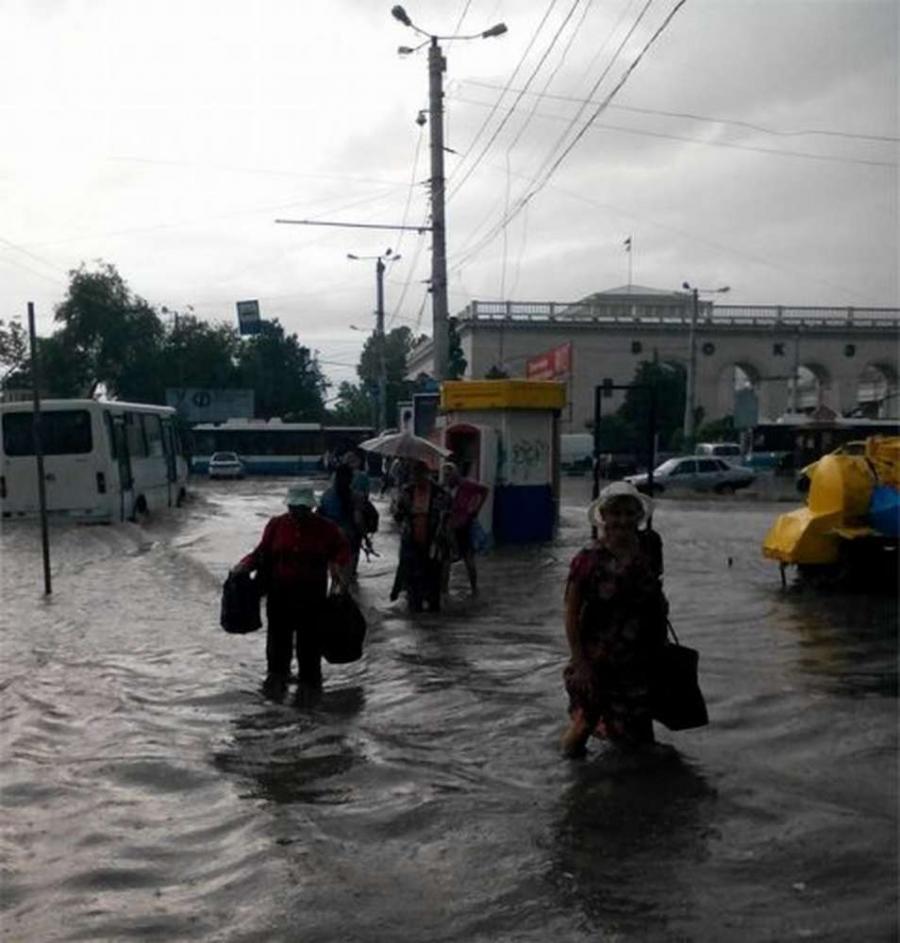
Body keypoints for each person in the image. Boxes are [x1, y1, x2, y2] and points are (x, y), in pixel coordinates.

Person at [560, 480, 668, 757]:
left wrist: (661, 649)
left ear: (637, 516)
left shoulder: (650, 549)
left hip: (639, 658)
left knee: (640, 731)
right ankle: (572, 781)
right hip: (597, 659)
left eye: (628, 513)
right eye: (615, 514)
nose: (622, 520)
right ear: (604, 517)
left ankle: (632, 792)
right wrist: (580, 663)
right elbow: (570, 613)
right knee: (585, 724)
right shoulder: (588, 559)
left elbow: (656, 597)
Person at [231, 484, 350, 697]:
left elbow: (342, 550)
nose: (298, 513)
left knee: (310, 651)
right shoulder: (276, 525)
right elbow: (261, 553)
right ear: (289, 506)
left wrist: (338, 570)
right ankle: (276, 694)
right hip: (280, 596)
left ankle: (310, 697)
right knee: (277, 649)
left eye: (303, 508)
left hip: (312, 599)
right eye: (294, 508)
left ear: (311, 508)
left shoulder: (326, 528)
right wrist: (244, 565)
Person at [391, 460, 449, 612]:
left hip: (433, 541)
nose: (416, 478)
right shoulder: (407, 492)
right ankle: (414, 607)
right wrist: (399, 505)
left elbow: (447, 515)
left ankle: (432, 606)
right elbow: (397, 516)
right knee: (412, 579)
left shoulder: (439, 492)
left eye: (419, 474)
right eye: (414, 474)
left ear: (427, 474)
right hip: (411, 541)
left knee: (433, 578)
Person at [441, 462, 489, 595]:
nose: (447, 477)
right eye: (445, 474)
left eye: (450, 474)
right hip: (448, 529)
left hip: (463, 526)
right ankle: (444, 592)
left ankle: (474, 588)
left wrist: (476, 509)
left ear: (456, 474)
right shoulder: (444, 488)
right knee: (445, 562)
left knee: (469, 560)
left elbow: (485, 490)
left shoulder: (466, 484)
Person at [318, 464, 365, 580]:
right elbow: (358, 520)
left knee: (335, 575)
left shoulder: (326, 495)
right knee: (347, 576)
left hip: (330, 539)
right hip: (350, 540)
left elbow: (320, 517)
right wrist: (364, 536)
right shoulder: (356, 497)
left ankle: (335, 590)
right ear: (351, 479)